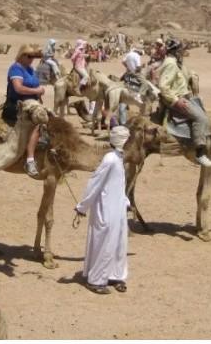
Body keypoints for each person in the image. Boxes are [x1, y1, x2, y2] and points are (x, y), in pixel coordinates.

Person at [75, 125, 131, 294]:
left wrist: (126, 202)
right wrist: (83, 206)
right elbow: (95, 182)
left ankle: (115, 275)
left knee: (119, 244)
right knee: (104, 243)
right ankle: (96, 280)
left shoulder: (119, 158)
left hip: (118, 208)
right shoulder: (110, 159)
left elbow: (118, 184)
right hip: (105, 210)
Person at [157, 38, 211, 167]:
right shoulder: (171, 64)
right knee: (201, 118)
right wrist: (176, 101)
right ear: (175, 51)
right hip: (176, 100)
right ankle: (200, 153)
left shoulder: (176, 63)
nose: (182, 52)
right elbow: (163, 86)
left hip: (184, 96)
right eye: (180, 50)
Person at [5, 45, 46, 177]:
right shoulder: (16, 68)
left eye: (33, 56)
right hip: (17, 105)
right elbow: (18, 88)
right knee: (36, 123)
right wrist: (37, 91)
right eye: (29, 56)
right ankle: (30, 160)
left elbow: (35, 84)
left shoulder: (30, 69)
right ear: (21, 55)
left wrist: (40, 92)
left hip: (32, 103)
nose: (31, 59)